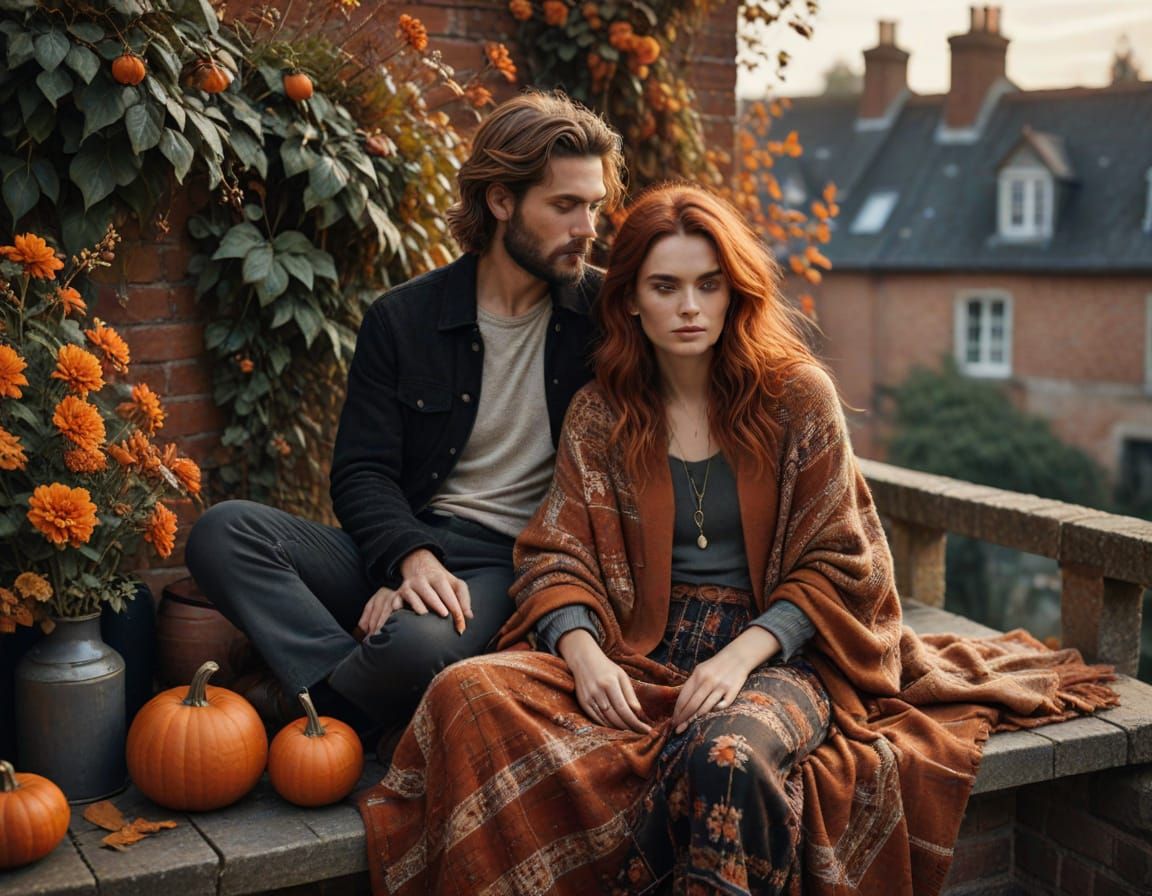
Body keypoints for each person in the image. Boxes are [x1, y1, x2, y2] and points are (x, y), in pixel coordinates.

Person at [357, 184, 1118, 896]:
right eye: (665, 287)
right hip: (636, 646)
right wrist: (583, 653)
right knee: (466, 689)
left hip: (782, 652)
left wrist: (740, 654)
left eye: (708, 284)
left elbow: (842, 559)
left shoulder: (796, 397)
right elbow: (556, 555)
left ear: (735, 290)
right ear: (630, 302)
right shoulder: (602, 413)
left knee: (727, 756)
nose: (690, 306)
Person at [184, 91, 625, 737]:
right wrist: (408, 561)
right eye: (565, 206)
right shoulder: (404, 317)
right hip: (407, 538)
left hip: (508, 562)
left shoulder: (605, 315)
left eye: (592, 205)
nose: (587, 227)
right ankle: (348, 700)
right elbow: (362, 472)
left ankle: (312, 707)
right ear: (502, 202)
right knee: (224, 533)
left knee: (418, 646)